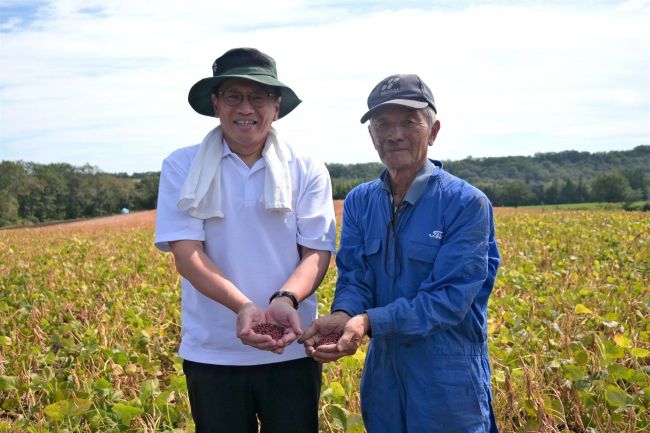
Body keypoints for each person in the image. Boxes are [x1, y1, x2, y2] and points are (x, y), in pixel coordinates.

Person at [301, 74, 501, 433]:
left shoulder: (466, 204)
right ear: (372, 135)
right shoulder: (362, 201)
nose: (394, 134)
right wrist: (344, 312)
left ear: (433, 130)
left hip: (447, 374)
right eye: (383, 124)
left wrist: (369, 322)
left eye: (409, 121)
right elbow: (355, 276)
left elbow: (448, 300)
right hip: (384, 375)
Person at [154, 47, 336, 433]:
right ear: (216, 104)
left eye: (258, 96)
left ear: (277, 105)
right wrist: (243, 307)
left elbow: (316, 253)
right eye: (233, 96)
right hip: (212, 351)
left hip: (290, 347)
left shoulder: (305, 167)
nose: (245, 108)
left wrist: (284, 300)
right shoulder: (182, 165)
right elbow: (188, 256)